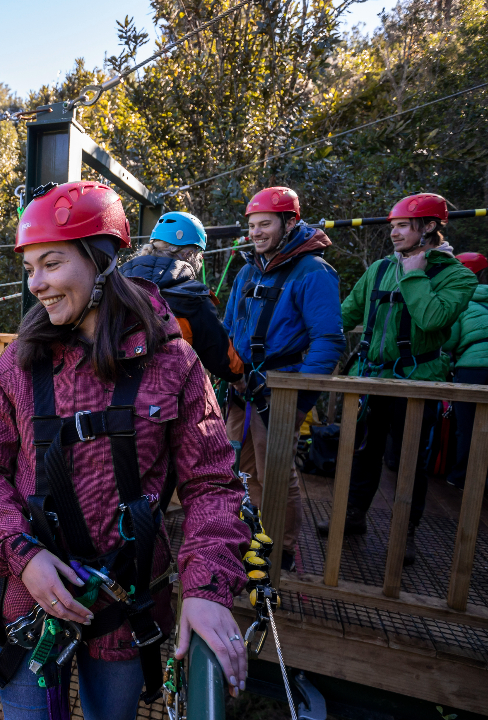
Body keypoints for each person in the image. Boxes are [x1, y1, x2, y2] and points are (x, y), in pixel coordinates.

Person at [0, 181, 249, 720]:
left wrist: (208, 587)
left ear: (102, 262)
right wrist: (22, 557)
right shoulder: (20, 365)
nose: (37, 284)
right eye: (29, 268)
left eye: (51, 263)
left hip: (124, 598)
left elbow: (212, 484)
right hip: (33, 600)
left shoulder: (174, 365)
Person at [320, 193, 476, 566]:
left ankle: (404, 530)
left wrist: (416, 274)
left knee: (409, 462)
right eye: (393, 226)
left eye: (403, 226)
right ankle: (354, 514)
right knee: (363, 453)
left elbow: (433, 319)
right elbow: (345, 315)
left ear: (430, 228)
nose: (394, 233)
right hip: (370, 379)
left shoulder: (457, 276)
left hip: (418, 382)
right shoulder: (378, 269)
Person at [223, 187, 344, 571]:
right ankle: (252, 534)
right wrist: (230, 374)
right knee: (240, 467)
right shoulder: (247, 271)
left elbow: (327, 338)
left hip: (280, 386)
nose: (255, 232)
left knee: (275, 469)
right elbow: (229, 327)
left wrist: (300, 397)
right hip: (243, 387)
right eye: (252, 225)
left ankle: (284, 548)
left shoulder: (313, 272)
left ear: (290, 223)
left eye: (264, 224)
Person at [121, 211, 244, 383]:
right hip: (167, 399)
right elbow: (221, 358)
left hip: (107, 396)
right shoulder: (194, 299)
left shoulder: (118, 283)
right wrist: (240, 379)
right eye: (199, 253)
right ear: (188, 254)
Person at [441, 252, 488, 490]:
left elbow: (449, 342)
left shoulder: (462, 301)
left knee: (467, 427)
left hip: (472, 369)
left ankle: (461, 477)